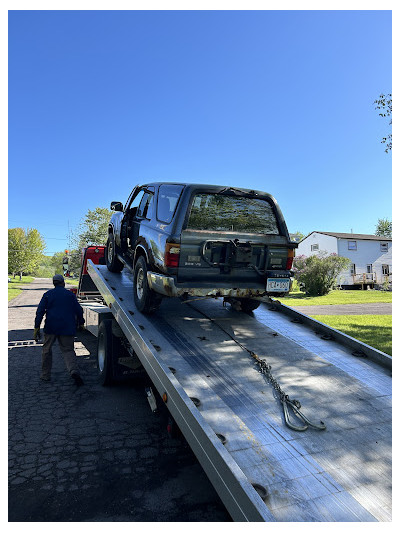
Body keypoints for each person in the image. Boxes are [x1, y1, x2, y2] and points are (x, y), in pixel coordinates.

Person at [34, 274, 85, 385]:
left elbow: (40, 311)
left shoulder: (48, 295)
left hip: (51, 327)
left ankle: (45, 375)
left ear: (54, 283)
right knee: (68, 350)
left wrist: (37, 327)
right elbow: (79, 310)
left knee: (46, 350)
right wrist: (81, 322)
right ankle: (73, 370)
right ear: (63, 283)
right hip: (67, 328)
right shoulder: (70, 295)